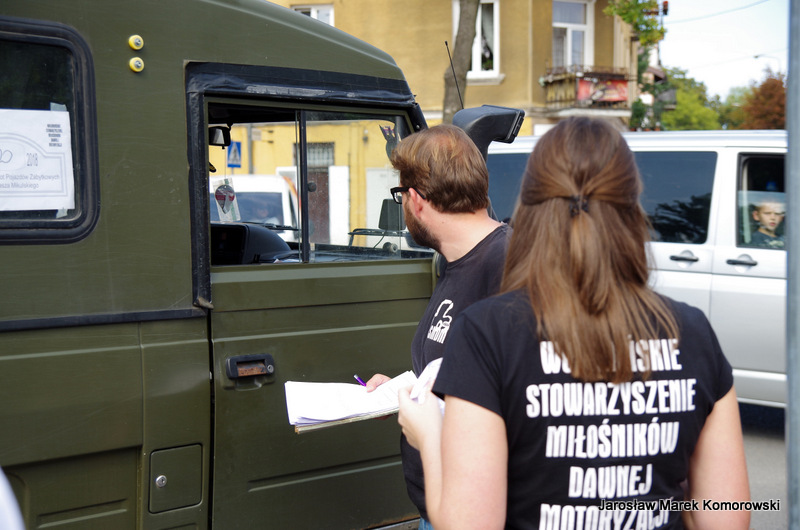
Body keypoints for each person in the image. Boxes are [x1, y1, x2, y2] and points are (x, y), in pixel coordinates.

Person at [397, 117, 750, 530]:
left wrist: (427, 435)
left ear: (530, 207)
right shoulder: (692, 333)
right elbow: (726, 518)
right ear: (633, 207)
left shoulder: (486, 333)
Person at [366, 124, 511, 529]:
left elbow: (514, 396)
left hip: (474, 511)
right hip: (439, 503)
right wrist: (401, 390)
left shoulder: (507, 265)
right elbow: (459, 369)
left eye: (400, 195)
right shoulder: (455, 261)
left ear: (415, 199)